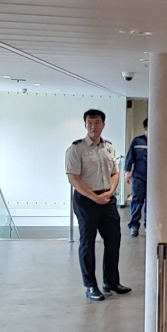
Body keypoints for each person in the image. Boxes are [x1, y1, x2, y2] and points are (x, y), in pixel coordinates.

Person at [66, 109, 130, 301]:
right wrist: (94, 197)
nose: (93, 127)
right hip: (86, 201)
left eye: (97, 123)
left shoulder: (108, 148)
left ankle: (111, 282)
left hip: (107, 198)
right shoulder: (76, 149)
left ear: (103, 124)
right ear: (85, 125)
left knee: (113, 240)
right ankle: (90, 285)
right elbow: (73, 178)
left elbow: (115, 173)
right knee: (88, 243)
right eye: (89, 123)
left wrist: (110, 192)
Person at [123, 118, 148, 237]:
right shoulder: (137, 141)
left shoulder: (159, 141)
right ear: (145, 128)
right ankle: (134, 225)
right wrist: (127, 172)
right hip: (139, 176)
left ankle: (148, 225)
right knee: (137, 200)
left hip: (154, 178)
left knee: (151, 202)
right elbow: (130, 157)